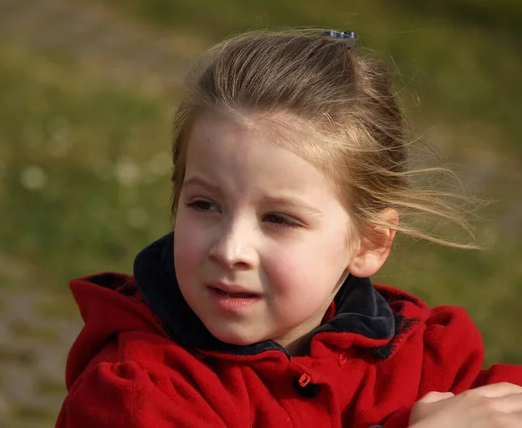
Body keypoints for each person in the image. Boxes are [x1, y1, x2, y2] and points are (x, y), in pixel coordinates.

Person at [55, 30, 522, 427]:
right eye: (204, 204)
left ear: (369, 242)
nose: (231, 248)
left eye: (278, 218)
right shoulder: (138, 393)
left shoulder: (420, 356)